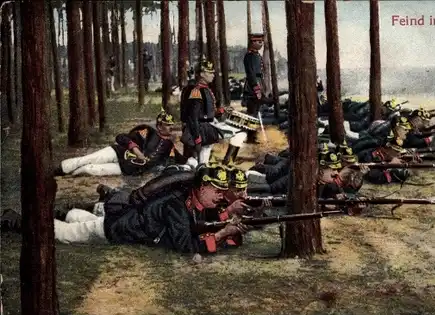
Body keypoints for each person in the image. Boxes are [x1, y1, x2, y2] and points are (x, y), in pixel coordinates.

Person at [1, 164, 249, 255]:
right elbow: (186, 244)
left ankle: (62, 212)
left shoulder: (191, 200)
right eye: (217, 191)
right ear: (202, 187)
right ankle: (13, 220)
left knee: (82, 220)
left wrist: (227, 221)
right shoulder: (178, 205)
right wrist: (221, 235)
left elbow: (201, 223)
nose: (220, 196)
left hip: (122, 219)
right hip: (116, 228)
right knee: (65, 234)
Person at [54, 111, 182, 177]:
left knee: (90, 169)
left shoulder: (169, 146)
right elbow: (121, 138)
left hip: (128, 168)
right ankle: (59, 170)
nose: (170, 128)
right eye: (167, 125)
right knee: (87, 159)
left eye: (171, 125)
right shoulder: (147, 131)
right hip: (118, 152)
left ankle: (69, 174)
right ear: (159, 126)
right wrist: (136, 150)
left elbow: (173, 162)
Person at [180, 59, 224, 164]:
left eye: (213, 72)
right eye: (209, 72)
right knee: (196, 161)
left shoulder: (205, 89)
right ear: (201, 74)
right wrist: (197, 138)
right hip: (199, 129)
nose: (213, 75)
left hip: (206, 127)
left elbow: (204, 112)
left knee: (204, 158)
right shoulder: (196, 91)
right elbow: (193, 116)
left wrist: (217, 112)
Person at [356, 116, 416, 184]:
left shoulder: (392, 150)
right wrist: (390, 165)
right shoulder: (373, 154)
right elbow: (374, 176)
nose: (407, 131)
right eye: (404, 129)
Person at [242, 33, 265, 144]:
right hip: (252, 87)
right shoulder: (249, 56)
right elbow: (251, 74)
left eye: (262, 42)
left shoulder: (257, 55)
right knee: (252, 113)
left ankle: (253, 136)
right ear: (252, 42)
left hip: (258, 83)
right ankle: (250, 137)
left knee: (255, 112)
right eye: (259, 42)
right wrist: (256, 89)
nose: (261, 44)